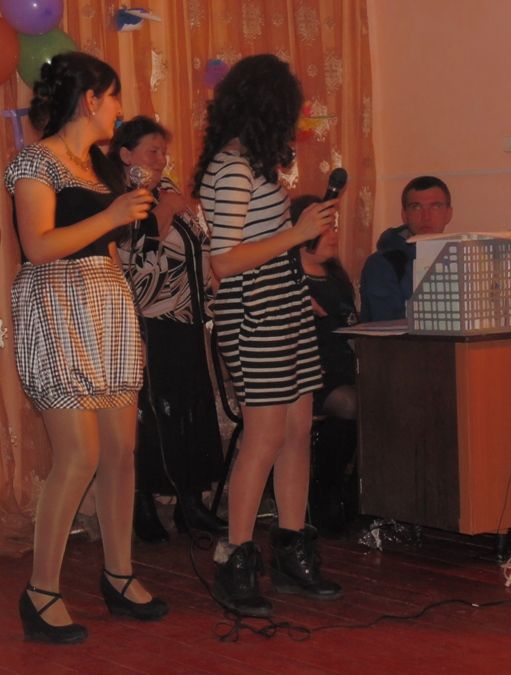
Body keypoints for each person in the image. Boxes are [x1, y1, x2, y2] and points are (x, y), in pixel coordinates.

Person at [4, 52, 168, 645]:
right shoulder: (34, 161)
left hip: (106, 304)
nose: (120, 108)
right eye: (114, 95)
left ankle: (119, 575)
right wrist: (113, 215)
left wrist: (130, 220)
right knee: (79, 454)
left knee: (121, 451)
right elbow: (39, 246)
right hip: (55, 303)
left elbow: (108, 247)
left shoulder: (101, 166)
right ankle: (41, 592)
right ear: (91, 99)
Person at [192, 54, 343, 617]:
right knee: (265, 435)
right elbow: (225, 262)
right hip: (254, 311)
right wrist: (298, 233)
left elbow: (258, 245)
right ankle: (235, 557)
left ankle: (291, 549)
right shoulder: (232, 168)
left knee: (298, 430)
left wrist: (296, 256)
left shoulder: (251, 165)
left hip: (281, 305)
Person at [108, 116, 226, 543]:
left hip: (188, 318)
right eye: (152, 152)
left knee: (193, 410)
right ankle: (142, 505)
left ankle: (190, 504)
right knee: (154, 417)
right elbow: (134, 256)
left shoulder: (167, 190)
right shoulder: (119, 199)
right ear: (126, 155)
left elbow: (199, 244)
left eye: (163, 152)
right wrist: (166, 210)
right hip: (149, 322)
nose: (161, 160)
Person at [292, 194, 359, 537]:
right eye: (326, 228)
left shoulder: (336, 277)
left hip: (343, 369)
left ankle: (358, 493)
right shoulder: (290, 281)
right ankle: (324, 490)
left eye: (334, 227)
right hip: (307, 377)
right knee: (350, 403)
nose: (334, 235)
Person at [359, 176, 453, 322]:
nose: (426, 217)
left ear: (449, 214)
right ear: (404, 215)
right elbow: (389, 322)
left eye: (435, 207)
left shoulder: (459, 257)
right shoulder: (382, 264)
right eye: (416, 207)